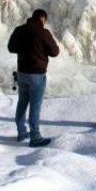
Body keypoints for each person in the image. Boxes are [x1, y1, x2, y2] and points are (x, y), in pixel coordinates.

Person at [8, 9, 60, 147]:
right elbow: (55, 52)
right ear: (43, 18)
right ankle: (35, 137)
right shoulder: (44, 33)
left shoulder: (19, 30)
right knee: (35, 106)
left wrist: (25, 48)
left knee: (22, 102)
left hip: (21, 73)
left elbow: (11, 48)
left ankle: (21, 132)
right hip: (37, 74)